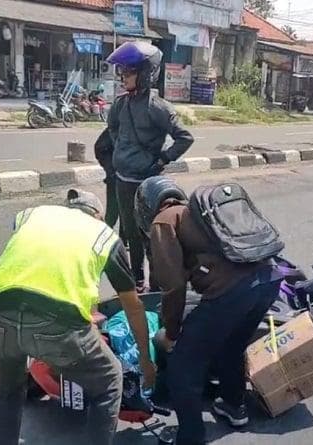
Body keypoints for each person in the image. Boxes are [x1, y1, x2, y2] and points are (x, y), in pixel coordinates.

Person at [0, 189, 156, 445]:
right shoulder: (104, 236)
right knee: (109, 382)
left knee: (6, 390)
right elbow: (133, 306)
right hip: (57, 321)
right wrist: (146, 361)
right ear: (98, 215)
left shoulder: (33, 215)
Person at [134, 176, 282, 445]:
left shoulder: (164, 221)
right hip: (270, 279)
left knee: (182, 366)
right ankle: (233, 406)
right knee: (231, 347)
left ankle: (190, 437)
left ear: (145, 207)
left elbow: (173, 286)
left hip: (232, 292)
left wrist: (173, 331)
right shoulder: (203, 212)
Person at [105, 41, 194, 292]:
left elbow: (184, 137)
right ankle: (137, 280)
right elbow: (112, 129)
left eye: (129, 72)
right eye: (122, 72)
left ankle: (157, 285)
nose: (124, 77)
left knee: (151, 236)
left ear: (145, 74)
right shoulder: (120, 104)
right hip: (123, 181)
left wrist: (163, 159)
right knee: (130, 233)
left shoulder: (158, 107)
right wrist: (122, 151)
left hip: (147, 186)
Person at [94, 127, 120, 229]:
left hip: (142, 179)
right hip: (117, 179)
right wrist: (111, 170)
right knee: (112, 215)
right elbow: (100, 148)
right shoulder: (120, 123)